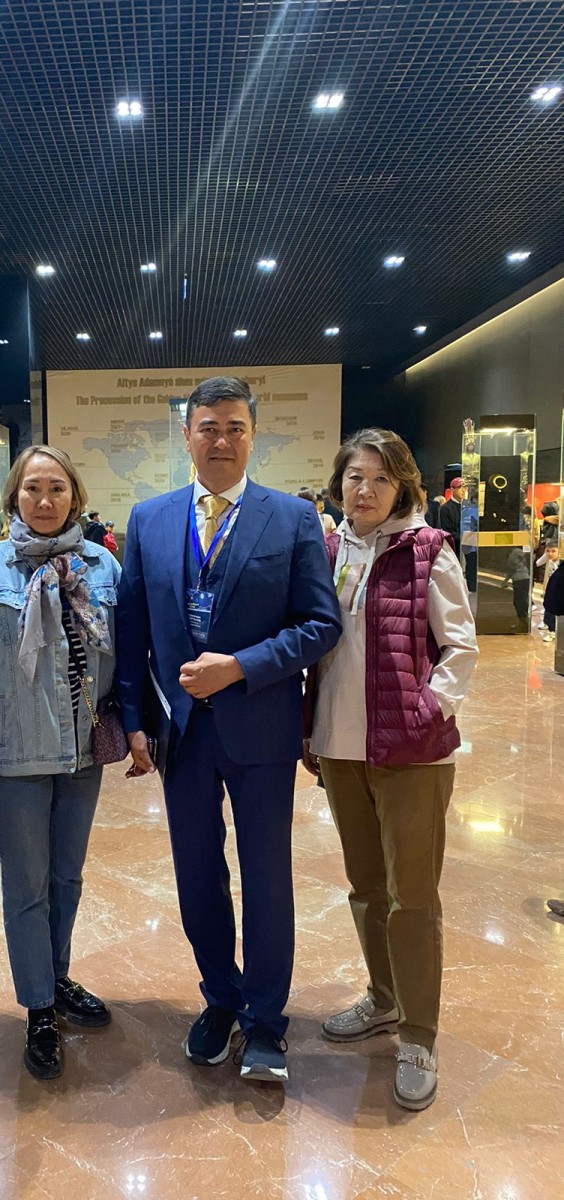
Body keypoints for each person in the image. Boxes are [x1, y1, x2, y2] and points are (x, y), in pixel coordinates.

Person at [116, 377, 341, 1085]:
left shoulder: (293, 519)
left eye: (235, 427)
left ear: (253, 435)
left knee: (267, 876)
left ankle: (267, 1020)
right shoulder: (149, 520)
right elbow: (131, 631)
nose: (221, 440)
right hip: (182, 734)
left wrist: (240, 666)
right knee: (197, 875)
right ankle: (220, 998)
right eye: (208, 427)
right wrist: (134, 721)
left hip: (262, 728)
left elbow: (320, 625)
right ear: (186, 435)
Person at [303, 428, 478, 1112]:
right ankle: (382, 998)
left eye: (380, 478)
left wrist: (427, 710)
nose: (365, 490)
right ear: (339, 484)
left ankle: (419, 1035)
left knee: (413, 896)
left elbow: (460, 648)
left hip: (412, 755)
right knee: (367, 887)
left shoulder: (427, 549)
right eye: (355, 477)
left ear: (402, 485)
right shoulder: (328, 550)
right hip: (340, 747)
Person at [0, 446, 120, 1081]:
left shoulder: (101, 565)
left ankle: (56, 976)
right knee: (25, 886)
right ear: (14, 497)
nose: (45, 500)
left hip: (82, 753)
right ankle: (38, 1009)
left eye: (57, 488)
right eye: (32, 488)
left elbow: (120, 657)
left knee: (67, 879)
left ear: (75, 496)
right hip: (18, 754)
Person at [439, 477, 466, 556]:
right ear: (452, 489)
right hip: (454, 549)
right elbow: (448, 532)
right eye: (460, 487)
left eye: (465, 487)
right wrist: (465, 538)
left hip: (469, 548)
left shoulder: (468, 506)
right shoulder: (446, 508)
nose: (463, 490)